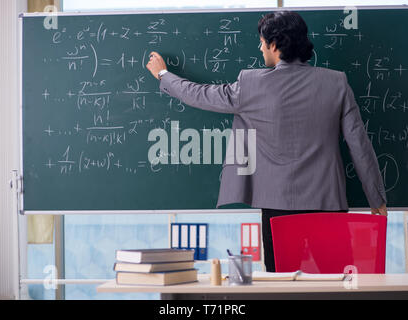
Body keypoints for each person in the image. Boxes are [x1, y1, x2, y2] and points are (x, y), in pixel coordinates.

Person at [146, 11, 388, 272]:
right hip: (328, 204)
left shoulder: (250, 84)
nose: (260, 47)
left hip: (278, 209)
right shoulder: (337, 82)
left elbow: (200, 95)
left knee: (281, 289)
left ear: (275, 45)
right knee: (334, 287)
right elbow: (360, 145)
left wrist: (164, 75)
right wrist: (377, 199)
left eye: (262, 41)